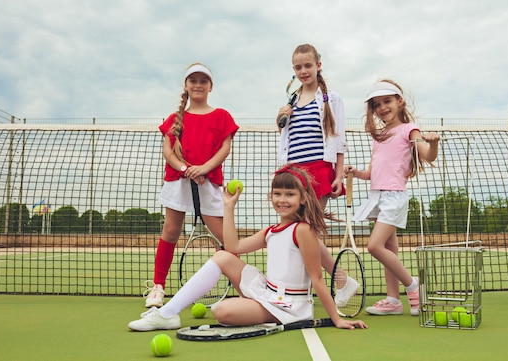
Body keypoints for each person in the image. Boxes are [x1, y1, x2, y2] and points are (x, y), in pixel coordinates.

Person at [128, 164, 368, 331]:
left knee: (222, 311)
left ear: (303, 198)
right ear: (270, 196)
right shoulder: (271, 231)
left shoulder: (303, 230)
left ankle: (169, 315)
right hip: (268, 291)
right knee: (222, 256)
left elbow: (316, 278)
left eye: (289, 194)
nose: (282, 199)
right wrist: (228, 206)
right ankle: (167, 314)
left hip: (290, 306)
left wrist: (336, 319)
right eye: (277, 193)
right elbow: (233, 246)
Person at [143, 63, 239, 308]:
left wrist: (204, 168)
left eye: (203, 81)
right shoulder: (174, 119)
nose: (198, 84)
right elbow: (168, 151)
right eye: (193, 80)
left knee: (225, 238)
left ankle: (243, 286)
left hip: (210, 182)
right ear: (186, 85)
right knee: (171, 231)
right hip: (178, 181)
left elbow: (225, 148)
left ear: (210, 86)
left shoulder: (222, 116)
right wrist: (186, 169)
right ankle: (157, 288)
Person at [345, 79, 439, 316]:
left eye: (387, 101)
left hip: (394, 197)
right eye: (377, 105)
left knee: (374, 246)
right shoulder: (380, 136)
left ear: (399, 101)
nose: (382, 107)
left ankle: (412, 285)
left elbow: (428, 156)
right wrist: (355, 173)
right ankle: (393, 300)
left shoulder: (410, 129)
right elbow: (372, 174)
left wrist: (434, 143)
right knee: (389, 248)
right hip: (377, 197)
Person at [276, 43, 358, 307]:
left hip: (319, 172)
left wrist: (337, 175)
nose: (303, 71)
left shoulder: (331, 98)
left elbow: (338, 137)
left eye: (307, 65)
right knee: (295, 232)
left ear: (318, 65)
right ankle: (318, 285)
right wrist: (280, 118)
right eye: (298, 67)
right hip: (292, 174)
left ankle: (338, 281)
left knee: (308, 233)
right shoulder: (290, 102)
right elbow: (289, 139)